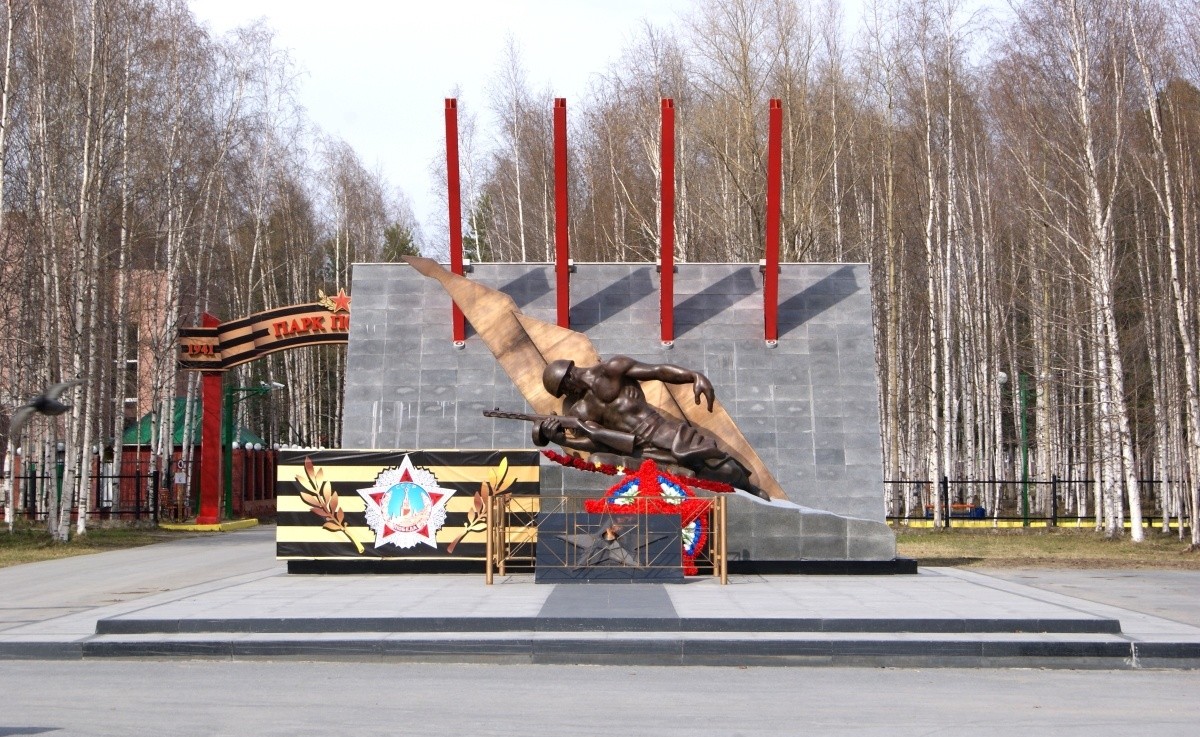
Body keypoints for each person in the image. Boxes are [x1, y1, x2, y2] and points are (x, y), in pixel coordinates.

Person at [533, 356, 768, 499]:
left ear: (568, 377)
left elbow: (657, 371)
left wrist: (693, 376)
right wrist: (561, 439)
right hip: (636, 450)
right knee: (689, 473)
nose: (567, 395)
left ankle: (748, 487)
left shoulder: (612, 369)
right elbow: (595, 441)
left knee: (719, 466)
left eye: (564, 389)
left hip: (660, 430)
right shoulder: (580, 411)